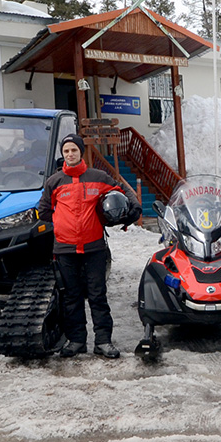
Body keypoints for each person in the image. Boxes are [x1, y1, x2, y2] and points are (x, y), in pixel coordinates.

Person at [36, 133, 140, 359]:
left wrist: (132, 211)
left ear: (80, 152)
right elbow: (43, 211)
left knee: (97, 295)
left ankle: (103, 341)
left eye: (74, 150)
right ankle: (76, 341)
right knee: (71, 297)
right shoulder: (54, 182)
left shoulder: (99, 177)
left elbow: (121, 195)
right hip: (65, 249)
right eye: (66, 151)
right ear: (62, 155)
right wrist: (62, 223)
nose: (70, 154)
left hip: (94, 247)